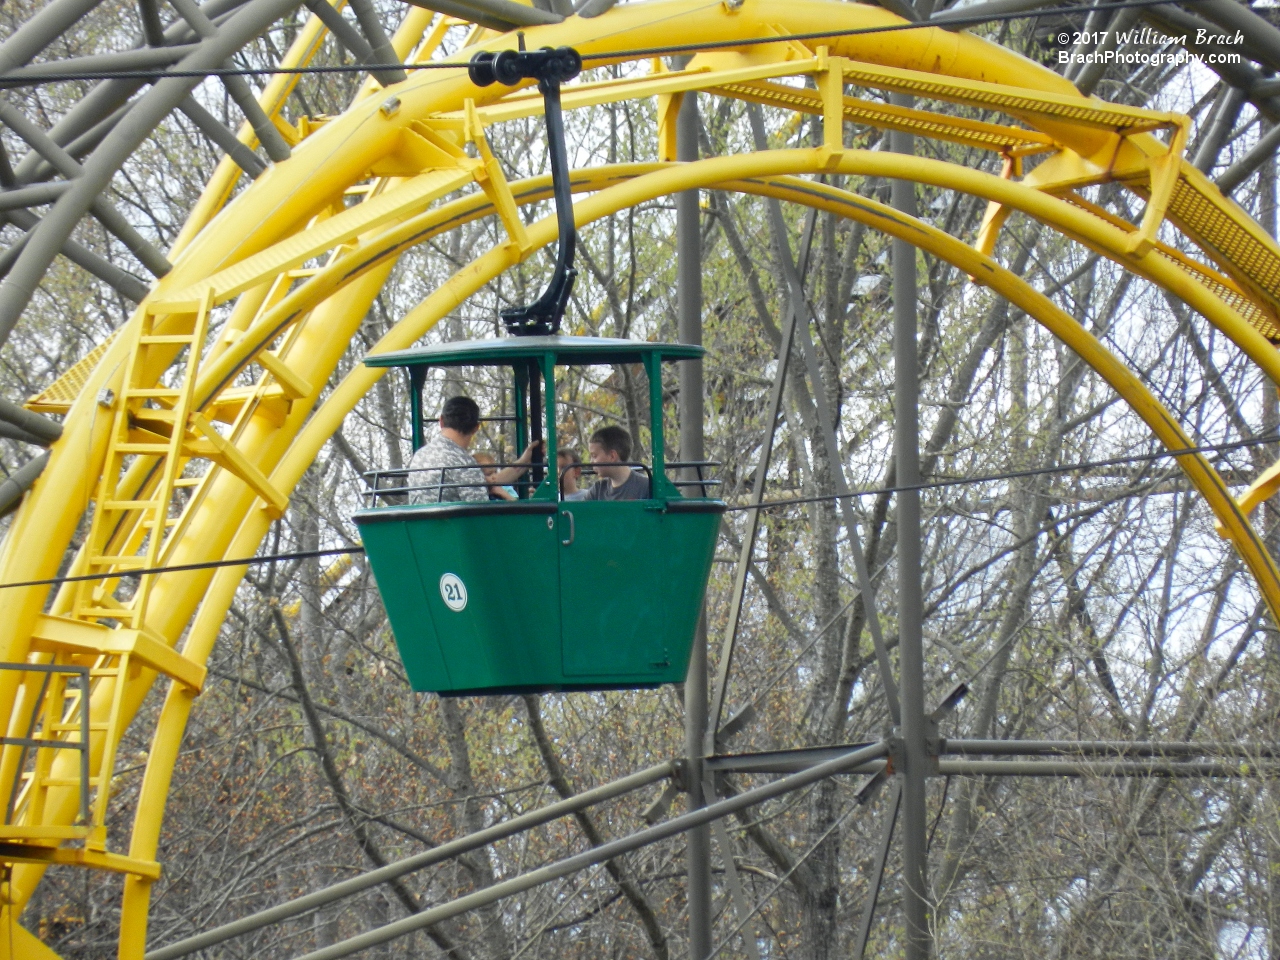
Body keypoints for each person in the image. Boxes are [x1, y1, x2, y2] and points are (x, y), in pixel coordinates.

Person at [408, 396, 540, 504]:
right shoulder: (465, 464)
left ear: (441, 421)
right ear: (476, 427)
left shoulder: (419, 456)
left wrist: (524, 461)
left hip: (418, 534)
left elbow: (491, 481)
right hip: (454, 534)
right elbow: (481, 517)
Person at [584, 425, 650, 500]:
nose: (591, 461)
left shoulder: (646, 487)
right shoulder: (597, 491)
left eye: (594, 456)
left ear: (612, 456)